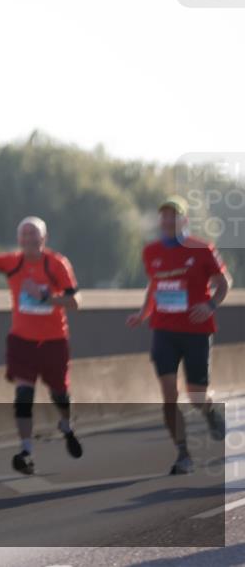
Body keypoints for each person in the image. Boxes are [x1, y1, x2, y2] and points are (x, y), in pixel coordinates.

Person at [0, 216, 84, 475]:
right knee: (23, 396)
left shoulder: (57, 264)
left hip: (54, 340)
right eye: (24, 235)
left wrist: (45, 297)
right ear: (19, 240)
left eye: (34, 235)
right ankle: (26, 450)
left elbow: (75, 302)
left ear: (44, 239)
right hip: (22, 341)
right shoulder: (13, 262)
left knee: (60, 393)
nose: (29, 239)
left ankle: (66, 424)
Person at [126, 196, 231, 475]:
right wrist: (143, 313)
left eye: (174, 215)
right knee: (169, 395)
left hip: (197, 331)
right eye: (164, 216)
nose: (168, 220)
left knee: (196, 396)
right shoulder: (151, 252)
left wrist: (209, 305)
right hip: (164, 331)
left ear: (184, 220)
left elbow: (223, 283)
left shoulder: (202, 249)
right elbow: (155, 286)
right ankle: (183, 453)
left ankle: (209, 411)